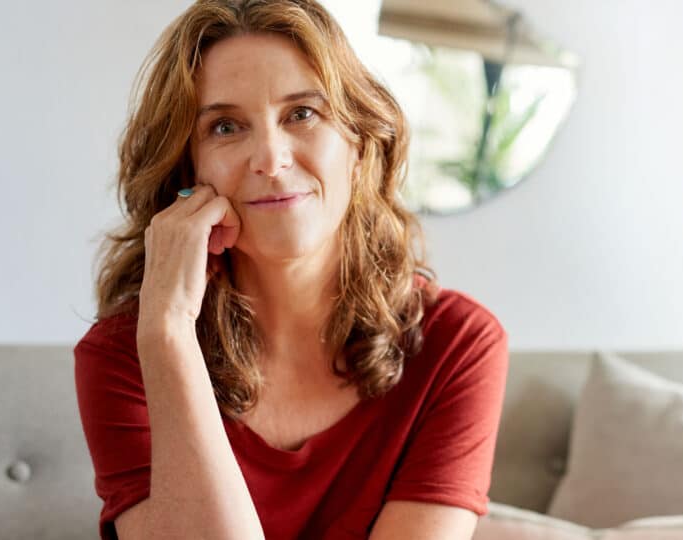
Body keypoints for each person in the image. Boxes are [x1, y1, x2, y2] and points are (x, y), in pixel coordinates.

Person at [73, 1, 509, 538]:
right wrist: (168, 334)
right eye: (226, 126)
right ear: (186, 171)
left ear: (358, 144)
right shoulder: (130, 354)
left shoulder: (456, 344)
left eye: (302, 113)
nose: (271, 158)